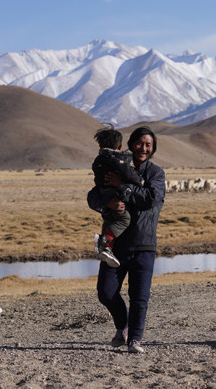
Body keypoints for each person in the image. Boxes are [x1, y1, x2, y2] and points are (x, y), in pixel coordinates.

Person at [87, 126, 165, 354]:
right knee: (106, 291)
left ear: (153, 148)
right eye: (140, 143)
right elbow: (93, 196)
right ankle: (123, 327)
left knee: (139, 297)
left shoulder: (156, 173)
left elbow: (150, 198)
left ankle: (135, 341)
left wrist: (121, 186)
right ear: (129, 144)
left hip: (143, 243)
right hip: (116, 245)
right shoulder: (115, 165)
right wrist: (106, 203)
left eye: (148, 145)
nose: (143, 148)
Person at [91, 124, 143, 268]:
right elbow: (130, 174)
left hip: (104, 194)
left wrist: (104, 200)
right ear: (120, 146)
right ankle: (103, 240)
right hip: (115, 196)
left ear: (100, 145)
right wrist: (138, 181)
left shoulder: (98, 160)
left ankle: (107, 249)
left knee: (109, 219)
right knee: (124, 219)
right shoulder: (119, 160)